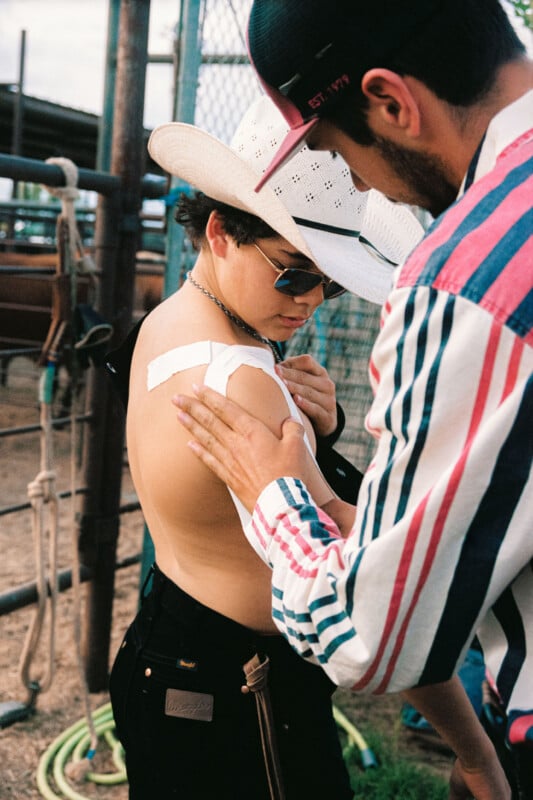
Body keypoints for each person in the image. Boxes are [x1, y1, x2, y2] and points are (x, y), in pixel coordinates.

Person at [172, 2, 532, 798]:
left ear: (392, 103)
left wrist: (276, 494)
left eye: (338, 148)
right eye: (298, 275)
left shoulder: (471, 279)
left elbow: (373, 637)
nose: (360, 181)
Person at [107, 96, 424, 799]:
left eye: (330, 284)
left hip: (169, 649)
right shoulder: (244, 375)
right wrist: (470, 748)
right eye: (293, 272)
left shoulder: (169, 323)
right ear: (220, 232)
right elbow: (358, 568)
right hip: (237, 685)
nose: (310, 301)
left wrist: (319, 432)